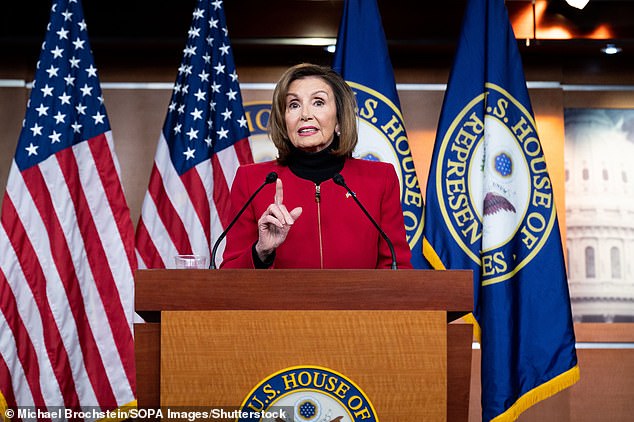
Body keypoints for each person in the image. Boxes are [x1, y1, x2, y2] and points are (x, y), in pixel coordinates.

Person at [220, 63, 412, 269]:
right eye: (293, 105)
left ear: (339, 120)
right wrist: (261, 252)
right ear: (284, 121)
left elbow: (396, 266)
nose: (305, 114)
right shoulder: (252, 181)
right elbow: (230, 279)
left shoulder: (379, 179)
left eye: (318, 102)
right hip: (280, 302)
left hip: (360, 301)